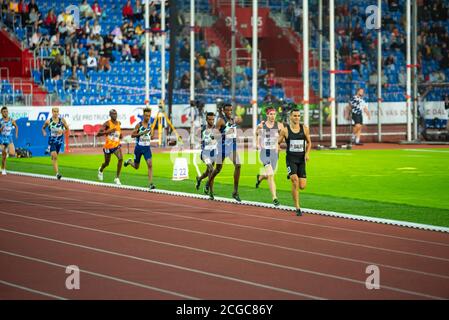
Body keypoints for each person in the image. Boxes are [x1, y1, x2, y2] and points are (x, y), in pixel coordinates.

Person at [278, 109, 312, 216]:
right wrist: (277, 148)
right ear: (290, 117)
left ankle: (292, 177)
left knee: (302, 186)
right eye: (295, 116)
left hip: (301, 160)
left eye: (298, 116)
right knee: (295, 180)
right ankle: (297, 207)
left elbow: (309, 142)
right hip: (291, 159)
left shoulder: (305, 129)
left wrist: (307, 154)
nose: (297, 118)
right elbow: (277, 142)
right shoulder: (285, 130)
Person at [207, 103, 242, 201]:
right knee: (217, 169)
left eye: (231, 110)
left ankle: (235, 191)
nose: (230, 112)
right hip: (222, 148)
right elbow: (214, 135)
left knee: (238, 165)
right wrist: (225, 133)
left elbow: (234, 129)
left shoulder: (232, 119)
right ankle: (208, 182)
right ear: (224, 111)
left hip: (231, 147)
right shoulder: (220, 121)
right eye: (227, 110)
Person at [255, 108, 284, 206]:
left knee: (269, 174)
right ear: (267, 115)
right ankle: (274, 197)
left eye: (274, 114)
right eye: (271, 114)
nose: (272, 116)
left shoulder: (279, 126)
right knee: (271, 175)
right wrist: (257, 144)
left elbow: (282, 137)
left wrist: (279, 145)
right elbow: (256, 133)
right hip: (265, 153)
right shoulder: (261, 125)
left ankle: (260, 177)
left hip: (275, 154)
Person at [124, 107, 155, 189]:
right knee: (136, 166)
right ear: (143, 116)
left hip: (147, 148)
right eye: (146, 116)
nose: (147, 117)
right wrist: (142, 133)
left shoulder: (150, 125)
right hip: (138, 148)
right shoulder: (139, 125)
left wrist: (151, 135)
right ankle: (129, 161)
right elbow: (132, 135)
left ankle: (151, 183)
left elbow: (151, 136)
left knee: (150, 164)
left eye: (149, 116)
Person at [41, 107, 69, 179]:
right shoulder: (48, 121)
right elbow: (43, 128)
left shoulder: (62, 120)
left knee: (55, 157)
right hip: (52, 141)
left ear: (58, 112)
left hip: (59, 142)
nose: (56, 113)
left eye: (57, 111)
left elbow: (67, 129)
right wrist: (44, 132)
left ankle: (52, 157)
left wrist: (62, 131)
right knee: (55, 156)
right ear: (52, 112)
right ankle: (57, 174)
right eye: (54, 111)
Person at [97, 109, 123, 185]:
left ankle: (117, 178)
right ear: (110, 115)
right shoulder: (107, 124)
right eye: (113, 114)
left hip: (116, 145)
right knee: (107, 163)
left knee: (120, 159)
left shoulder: (119, 123)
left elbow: (118, 133)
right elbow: (98, 134)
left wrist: (120, 135)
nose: (115, 115)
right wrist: (108, 131)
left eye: (116, 114)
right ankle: (101, 170)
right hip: (108, 146)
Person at [195, 112, 218, 194]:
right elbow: (196, 137)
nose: (212, 121)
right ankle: (209, 188)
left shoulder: (216, 128)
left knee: (208, 172)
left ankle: (199, 179)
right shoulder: (202, 129)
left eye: (213, 119)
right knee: (211, 169)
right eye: (210, 119)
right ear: (206, 120)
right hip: (205, 153)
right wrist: (200, 141)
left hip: (214, 152)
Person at [0, 106, 19, 175]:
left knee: (12, 153)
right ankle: (3, 169)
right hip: (2, 139)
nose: (5, 113)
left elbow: (16, 126)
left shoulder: (11, 120)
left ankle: (6, 151)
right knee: (4, 155)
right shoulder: (0, 121)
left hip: (9, 139)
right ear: (1, 112)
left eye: (6, 111)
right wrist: (0, 129)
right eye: (4, 112)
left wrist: (16, 134)